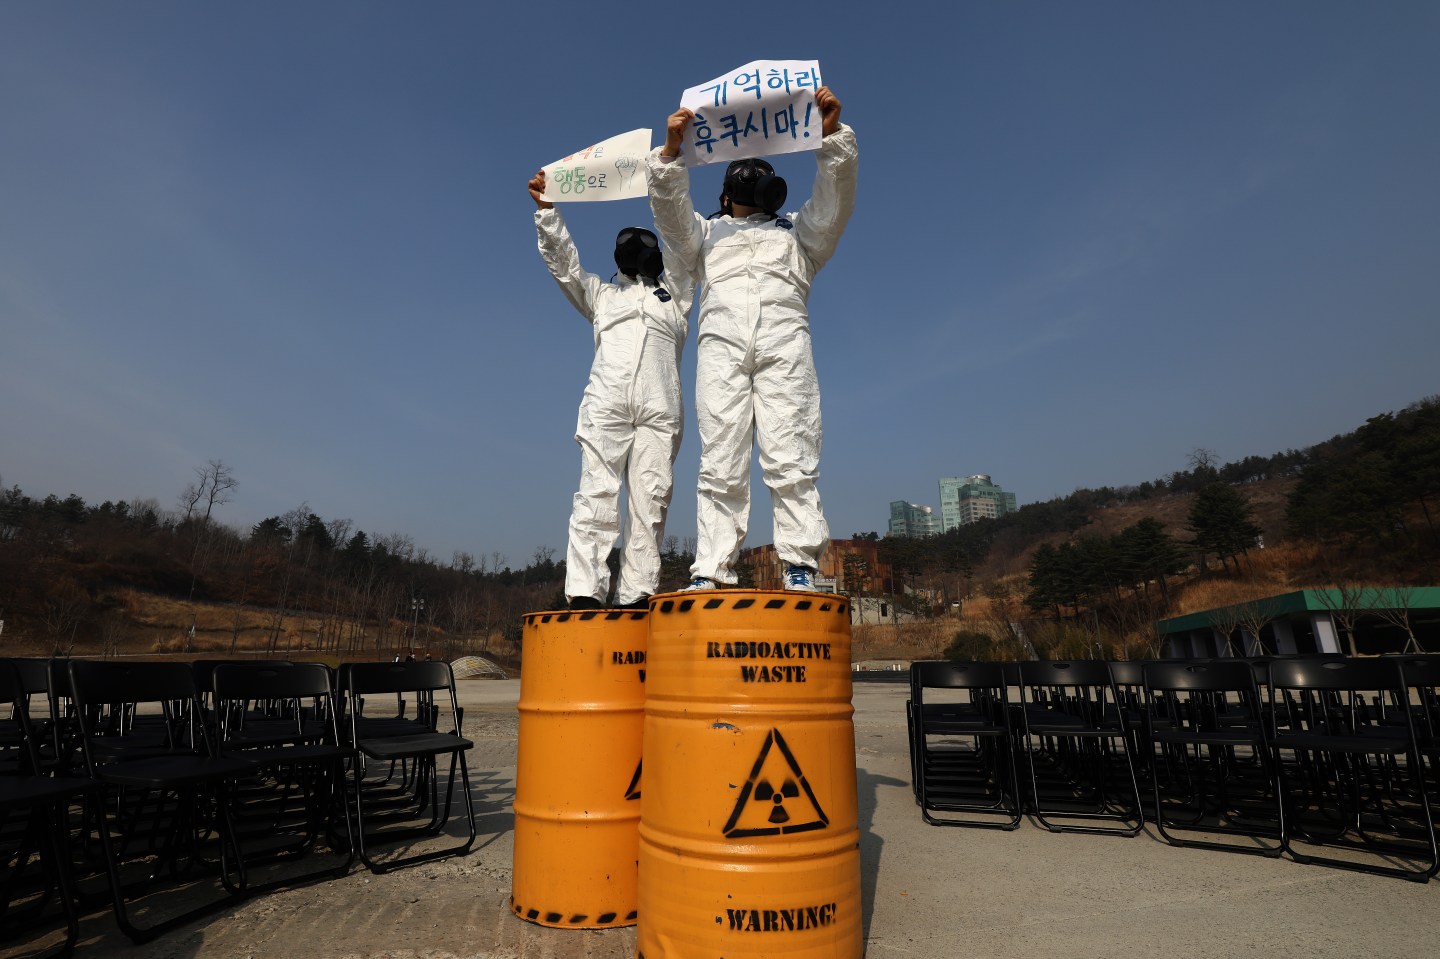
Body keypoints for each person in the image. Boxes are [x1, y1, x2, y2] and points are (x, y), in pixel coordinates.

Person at [645, 86, 856, 591]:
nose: (754, 181)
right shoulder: (705, 236)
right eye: (745, 178)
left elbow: (833, 206)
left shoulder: (798, 236)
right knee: (720, 460)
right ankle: (713, 569)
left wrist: (832, 142)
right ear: (726, 193)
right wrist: (671, 156)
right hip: (721, 348)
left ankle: (801, 564)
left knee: (793, 453)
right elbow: (672, 221)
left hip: (786, 348)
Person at [529, 170, 695, 610]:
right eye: (628, 247)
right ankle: (585, 588)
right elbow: (565, 266)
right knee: (597, 494)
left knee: (651, 499)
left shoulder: (677, 296)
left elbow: (683, 243)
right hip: (608, 402)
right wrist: (547, 214)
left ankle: (637, 591)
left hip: (659, 407)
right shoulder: (601, 295)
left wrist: (668, 176)